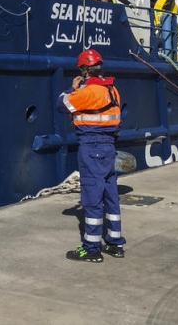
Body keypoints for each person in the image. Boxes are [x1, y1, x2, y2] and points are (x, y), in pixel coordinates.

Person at [57, 48, 126, 262]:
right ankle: (115, 243)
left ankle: (92, 248)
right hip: (108, 146)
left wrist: (73, 86)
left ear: (85, 71)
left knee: (92, 196)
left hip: (91, 144)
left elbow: (61, 104)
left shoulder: (87, 92)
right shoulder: (113, 90)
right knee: (110, 193)